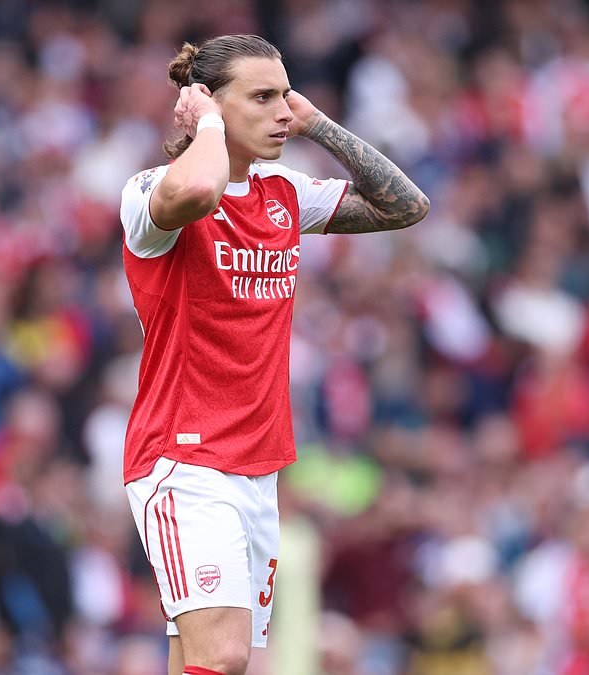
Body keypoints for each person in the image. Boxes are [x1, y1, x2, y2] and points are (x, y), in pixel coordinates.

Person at [118, 34, 429, 675]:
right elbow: (200, 193)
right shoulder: (150, 193)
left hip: (259, 469)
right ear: (206, 103)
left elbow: (405, 205)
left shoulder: (282, 194)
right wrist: (206, 126)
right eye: (263, 97)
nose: (283, 112)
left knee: (201, 658)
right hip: (185, 460)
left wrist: (319, 123)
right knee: (225, 655)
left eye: (285, 95)